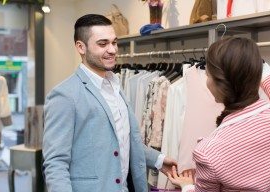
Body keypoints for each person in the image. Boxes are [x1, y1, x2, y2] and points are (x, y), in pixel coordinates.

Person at [42, 14, 176, 192]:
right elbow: (55, 164)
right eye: (103, 44)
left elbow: (121, 140)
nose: (112, 50)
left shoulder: (115, 85)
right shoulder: (64, 95)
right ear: (81, 47)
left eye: (114, 42)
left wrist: (158, 160)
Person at [167, 37, 270, 191]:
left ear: (219, 83)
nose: (206, 80)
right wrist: (260, 66)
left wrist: (188, 186)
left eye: (208, 75)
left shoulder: (209, 152)